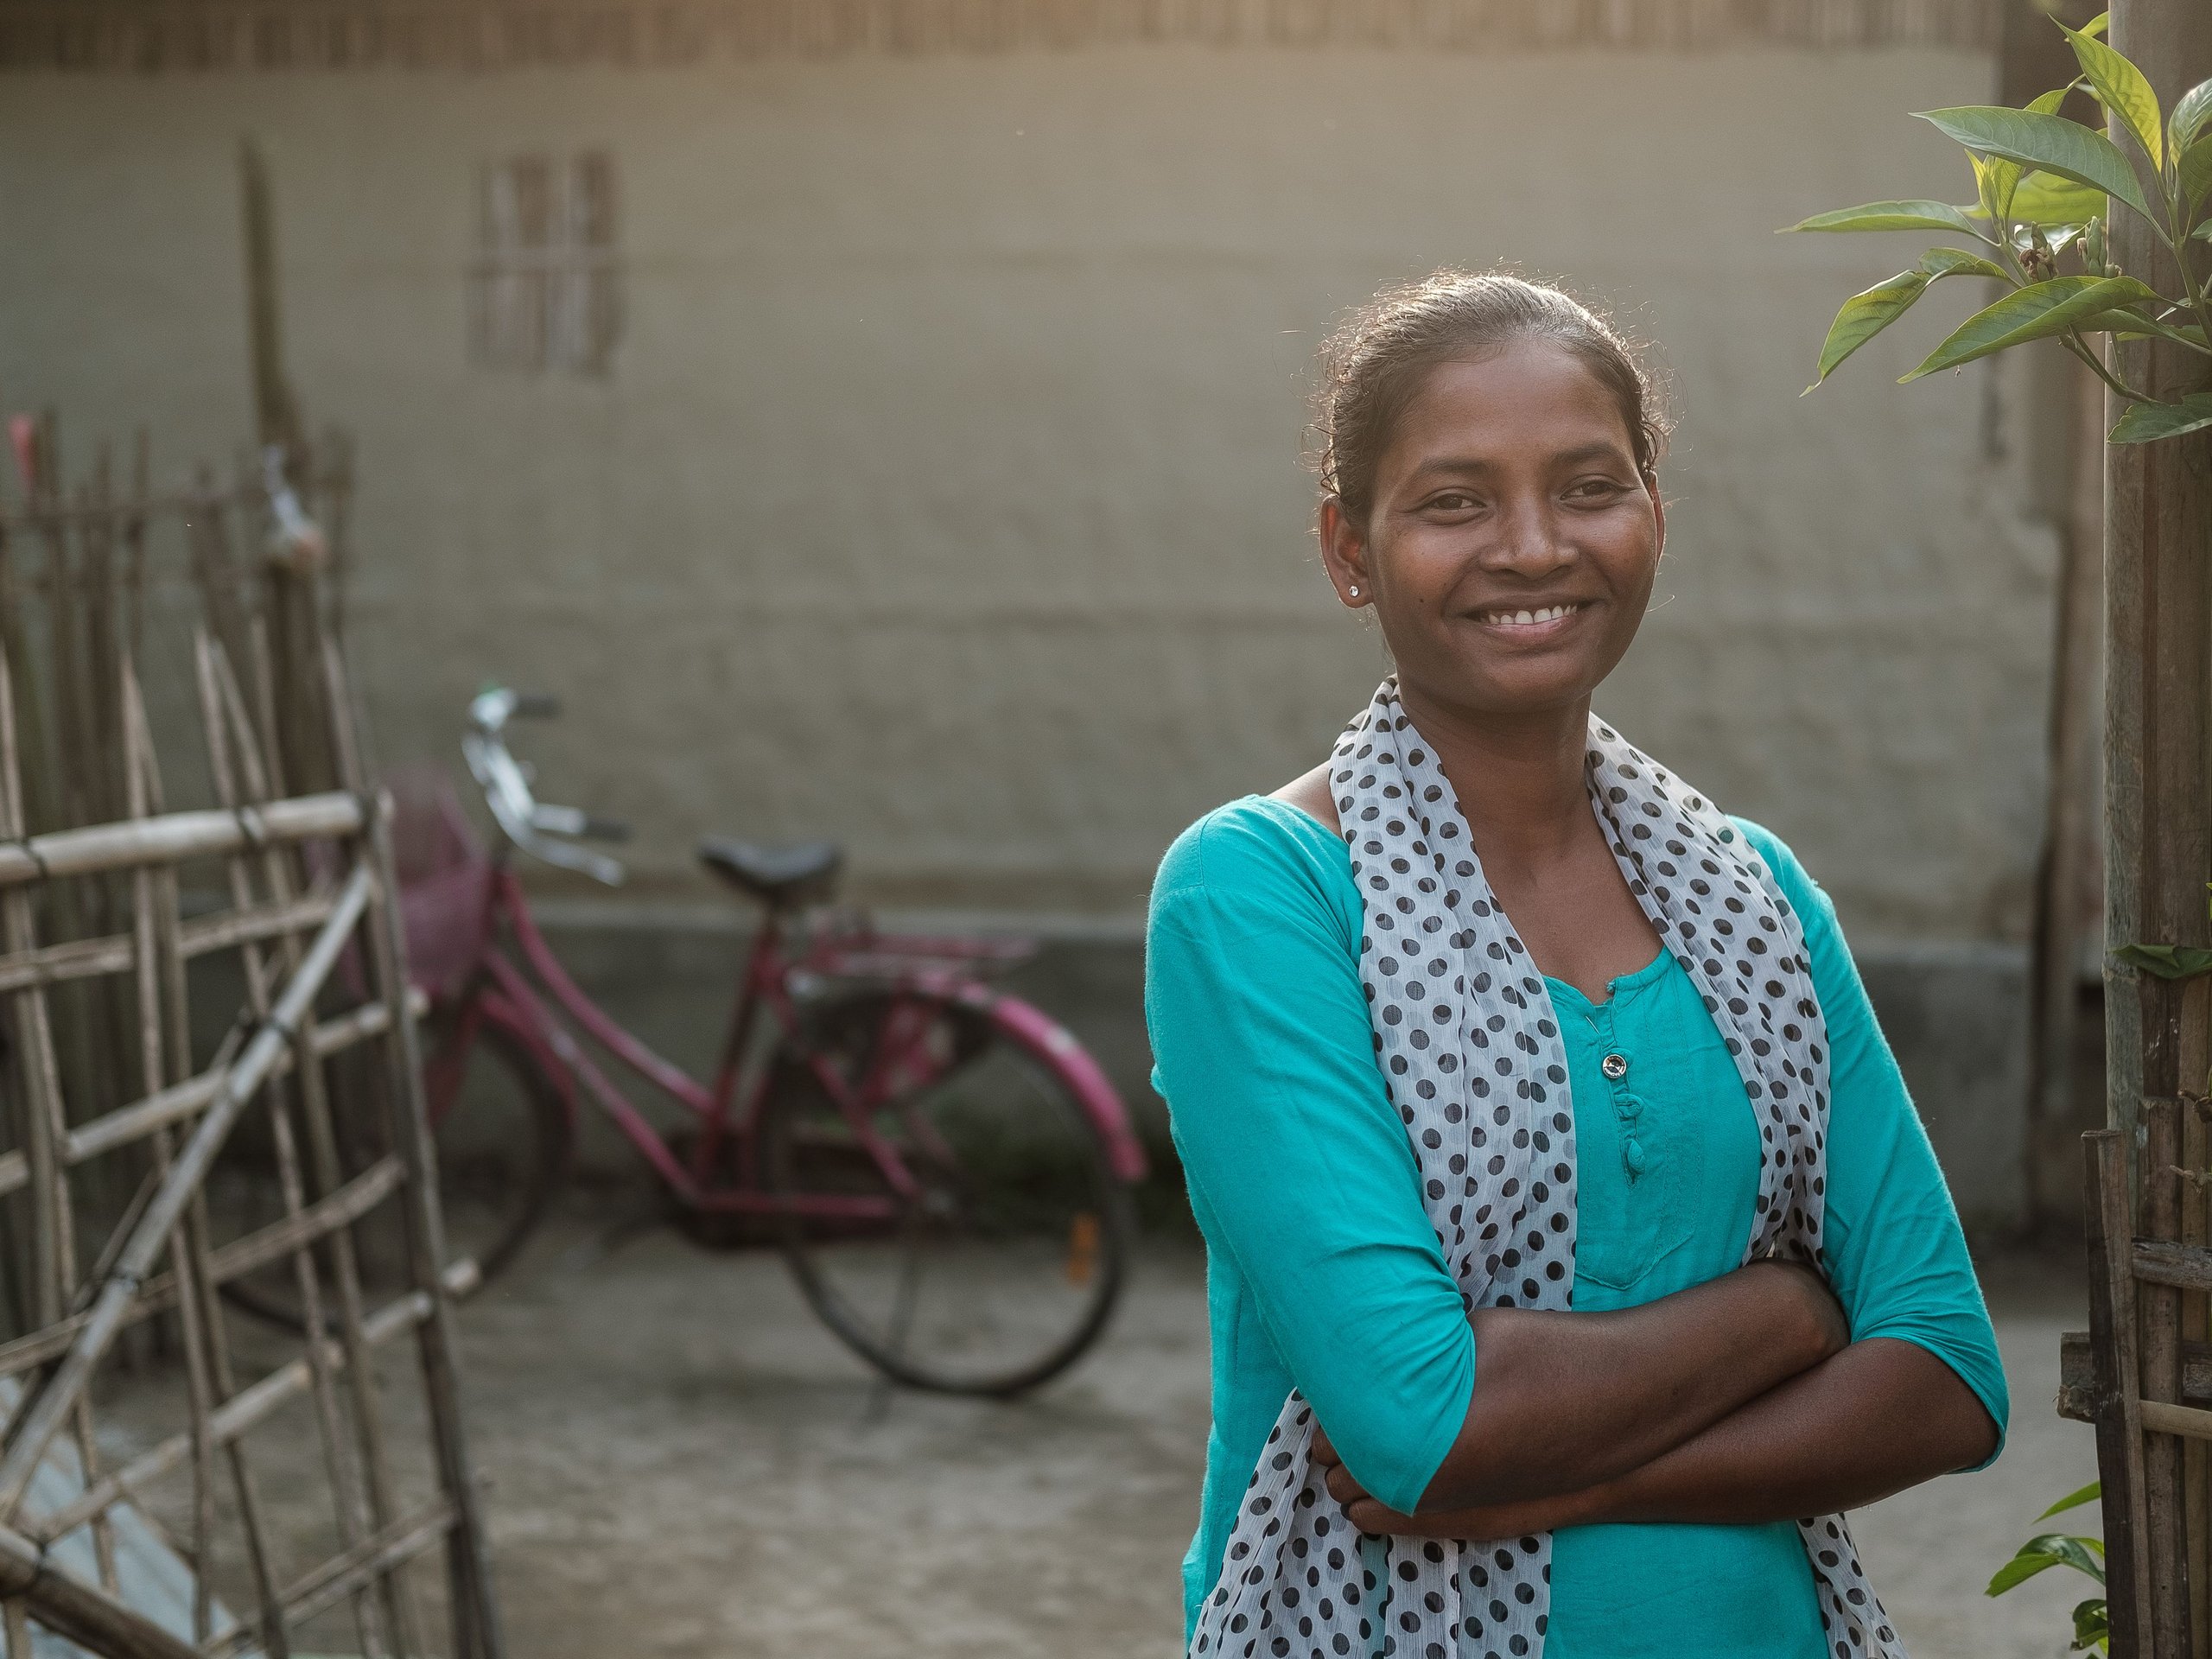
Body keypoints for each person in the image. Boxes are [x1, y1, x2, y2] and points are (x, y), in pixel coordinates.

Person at [1143, 270, 2006, 1659]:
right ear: (1347, 549)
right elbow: (1424, 1422)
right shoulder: (1263, 893)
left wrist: (1582, 1478)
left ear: (1654, 513)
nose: (1533, 547)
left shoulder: (1757, 901)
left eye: (1588, 487)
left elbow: (1951, 1378)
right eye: (1454, 500)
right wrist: (1792, 1308)